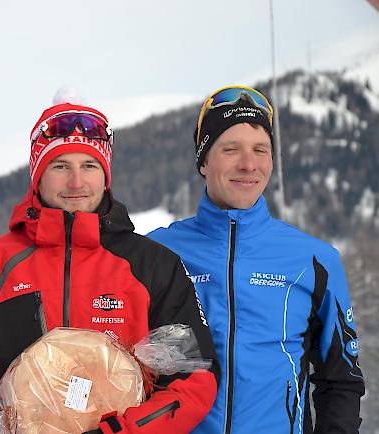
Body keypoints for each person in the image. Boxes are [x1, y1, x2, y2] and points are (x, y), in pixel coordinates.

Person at [0, 90, 219, 434]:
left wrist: (122, 431)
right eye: (60, 166)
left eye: (89, 166)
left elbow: (192, 379)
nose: (76, 182)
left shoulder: (152, 266)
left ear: (106, 176)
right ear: (37, 175)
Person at [147, 85, 365, 433]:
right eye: (230, 149)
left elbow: (341, 382)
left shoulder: (316, 260)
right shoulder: (157, 253)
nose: (248, 164)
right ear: (203, 161)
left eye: (260, 149)